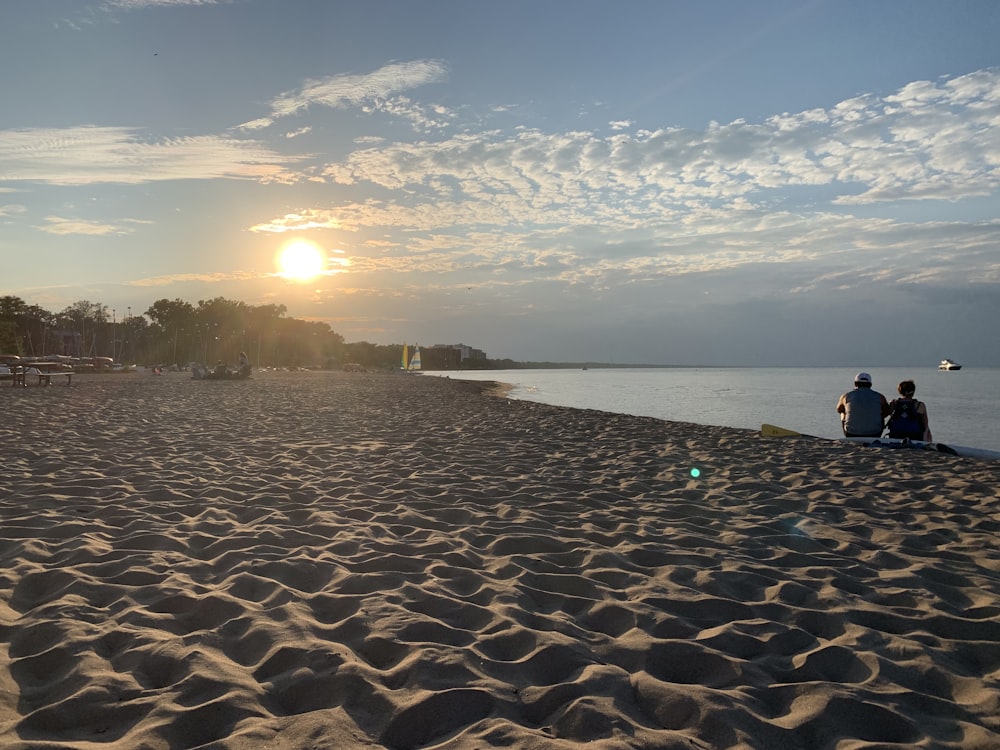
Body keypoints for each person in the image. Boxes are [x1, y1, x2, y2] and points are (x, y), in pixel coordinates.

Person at [836, 372, 890, 437]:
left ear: (855, 383)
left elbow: (839, 410)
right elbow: (887, 412)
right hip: (875, 433)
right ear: (870, 384)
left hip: (851, 433)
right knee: (880, 415)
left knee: (843, 413)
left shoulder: (846, 396)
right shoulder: (880, 397)